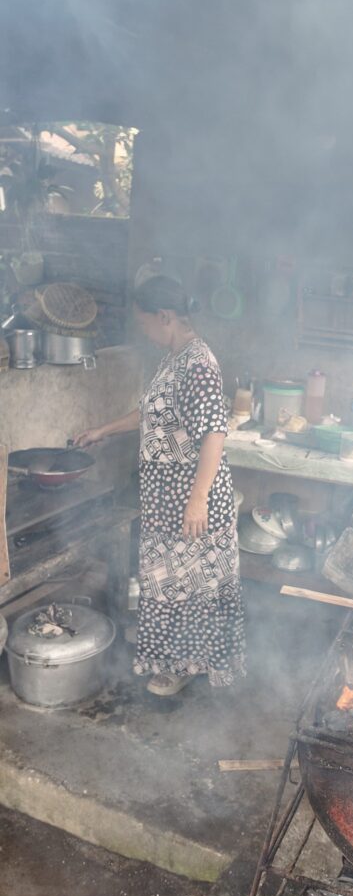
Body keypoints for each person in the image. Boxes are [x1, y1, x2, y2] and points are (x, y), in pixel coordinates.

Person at [75, 275, 245, 696]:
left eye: (146, 322)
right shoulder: (173, 357)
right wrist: (104, 430)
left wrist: (198, 500)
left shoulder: (199, 364)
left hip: (189, 499)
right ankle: (176, 659)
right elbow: (151, 414)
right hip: (166, 499)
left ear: (165, 317)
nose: (144, 330)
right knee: (172, 584)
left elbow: (213, 434)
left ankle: (185, 665)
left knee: (190, 586)